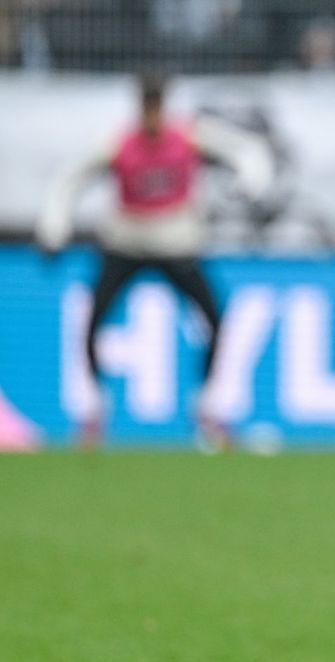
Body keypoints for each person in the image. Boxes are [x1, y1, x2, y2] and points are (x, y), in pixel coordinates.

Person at [35, 73, 273, 447]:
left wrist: (250, 186)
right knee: (92, 321)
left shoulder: (190, 135)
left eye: (156, 107)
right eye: (146, 108)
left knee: (215, 319)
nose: (151, 117)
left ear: (163, 106)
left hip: (176, 243)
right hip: (125, 242)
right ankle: (95, 410)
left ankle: (206, 409)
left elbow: (248, 152)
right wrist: (54, 229)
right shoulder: (117, 142)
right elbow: (70, 179)